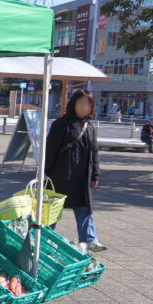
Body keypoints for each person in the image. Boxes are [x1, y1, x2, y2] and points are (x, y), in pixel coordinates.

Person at [45, 89, 106, 252]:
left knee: (84, 207)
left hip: (81, 177)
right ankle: (44, 236)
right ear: (73, 104)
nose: (85, 107)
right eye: (81, 103)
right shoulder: (60, 124)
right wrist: (45, 172)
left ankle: (90, 240)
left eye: (88, 104)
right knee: (52, 207)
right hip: (60, 175)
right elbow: (50, 150)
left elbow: (94, 152)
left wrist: (95, 174)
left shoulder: (90, 127)